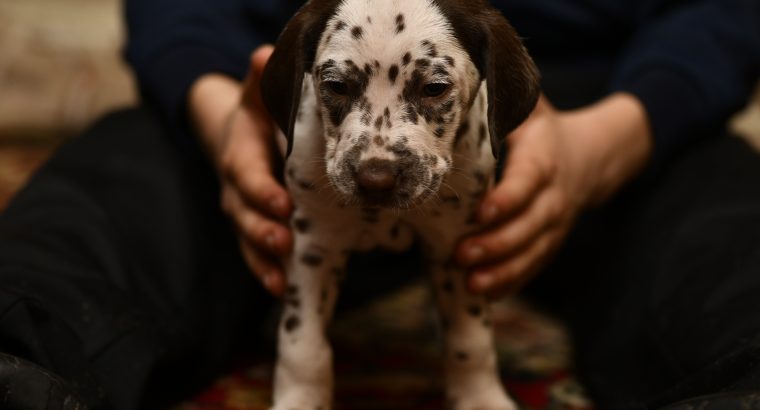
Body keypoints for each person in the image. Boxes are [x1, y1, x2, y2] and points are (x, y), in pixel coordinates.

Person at [0, 0, 758, 408]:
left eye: (433, 88)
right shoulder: (307, 87)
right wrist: (216, 113)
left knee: (727, 225)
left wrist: (616, 138)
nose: (378, 163)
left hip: (597, 102)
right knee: (106, 190)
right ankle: (14, 360)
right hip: (277, 102)